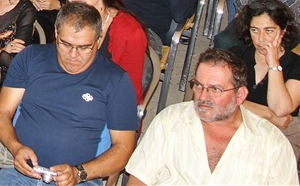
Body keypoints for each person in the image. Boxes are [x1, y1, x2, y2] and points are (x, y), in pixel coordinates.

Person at [0, 2, 138, 186]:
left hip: (81, 180)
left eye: (84, 47)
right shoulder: (30, 58)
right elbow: (1, 112)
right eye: (66, 44)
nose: (73, 55)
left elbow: (124, 148)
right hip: (22, 172)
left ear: (99, 40)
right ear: (56, 32)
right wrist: (16, 147)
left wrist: (79, 173)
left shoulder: (116, 81)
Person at [126, 49, 298, 186]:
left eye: (215, 89)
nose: (203, 97)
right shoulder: (170, 120)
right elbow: (139, 179)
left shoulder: (272, 144)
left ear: (240, 95)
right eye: (199, 86)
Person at [231, 0, 300, 158]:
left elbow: (281, 109)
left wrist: (273, 64)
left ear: (283, 31)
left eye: (269, 31)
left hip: (279, 136)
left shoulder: (296, 65)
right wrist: (268, 115)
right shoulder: (235, 56)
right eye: (255, 30)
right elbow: (218, 98)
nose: (261, 38)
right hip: (237, 127)